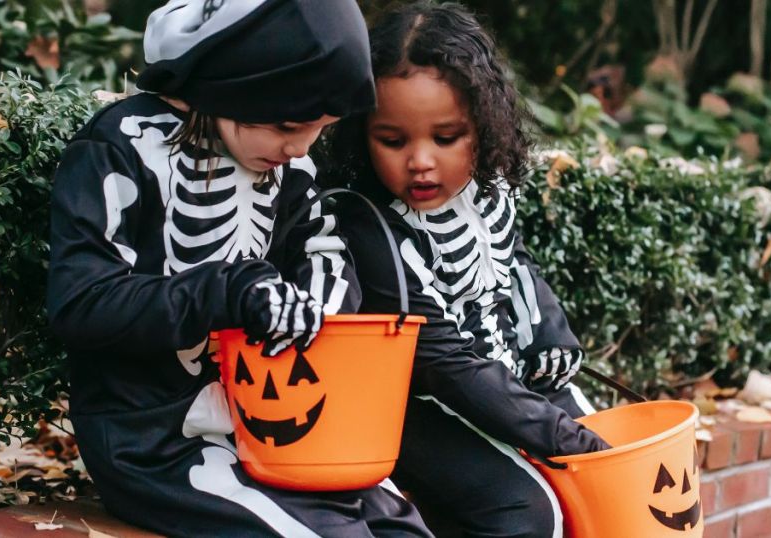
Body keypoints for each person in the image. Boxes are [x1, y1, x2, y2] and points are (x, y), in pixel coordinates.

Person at [47, 1, 430, 536]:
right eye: (287, 124)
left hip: (271, 419)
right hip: (152, 440)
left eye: (319, 129)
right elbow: (81, 302)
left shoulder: (289, 166)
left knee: (400, 527)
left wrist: (309, 309)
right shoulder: (121, 144)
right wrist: (227, 292)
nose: (299, 146)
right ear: (231, 86)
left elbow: (326, 255)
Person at [328, 3, 610, 537]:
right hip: (419, 405)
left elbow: (513, 260)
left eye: (446, 136)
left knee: (617, 476)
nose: (420, 161)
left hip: (507, 379)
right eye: (392, 140)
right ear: (361, 133)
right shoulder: (367, 220)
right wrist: (559, 433)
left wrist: (549, 330)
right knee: (528, 511)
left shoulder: (487, 187)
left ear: (484, 122)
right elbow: (440, 359)